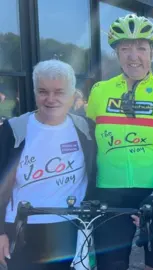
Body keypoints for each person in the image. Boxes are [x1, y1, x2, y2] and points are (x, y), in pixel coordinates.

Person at [86, 14, 153, 270]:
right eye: (125, 48)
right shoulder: (99, 92)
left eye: (141, 48)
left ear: (152, 52)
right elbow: (88, 146)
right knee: (111, 265)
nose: (134, 56)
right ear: (116, 54)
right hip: (111, 194)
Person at [0, 59, 97, 270]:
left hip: (69, 227)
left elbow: (95, 174)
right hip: (22, 228)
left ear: (72, 95)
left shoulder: (86, 129)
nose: (50, 99)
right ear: (34, 92)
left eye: (59, 92)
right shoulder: (14, 129)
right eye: (43, 91)